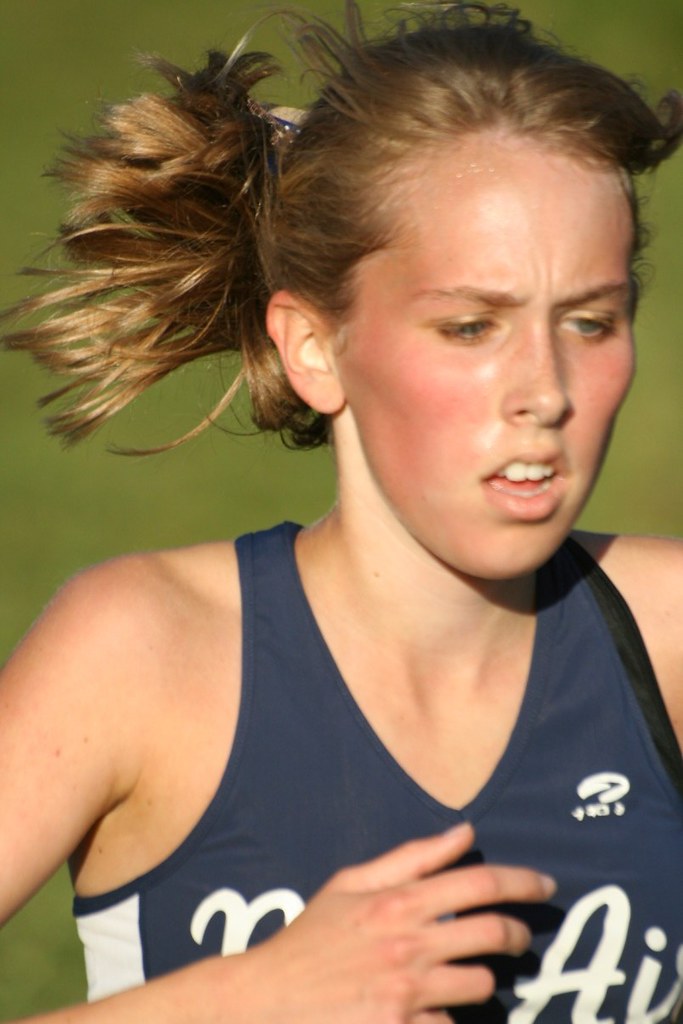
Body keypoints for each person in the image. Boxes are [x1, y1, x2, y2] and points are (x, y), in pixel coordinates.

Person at [1, 1, 682, 1020]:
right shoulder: (141, 651)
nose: (544, 389)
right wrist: (252, 997)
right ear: (313, 347)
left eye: (589, 321)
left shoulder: (666, 633)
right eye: (467, 325)